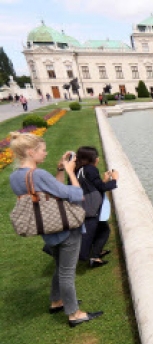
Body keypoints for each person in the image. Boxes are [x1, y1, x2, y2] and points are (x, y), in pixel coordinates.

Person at [8, 132, 103, 327]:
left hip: (48, 227)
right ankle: (74, 314)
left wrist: (59, 169)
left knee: (60, 267)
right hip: (65, 227)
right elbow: (76, 194)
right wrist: (70, 171)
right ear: (30, 152)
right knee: (68, 271)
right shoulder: (39, 175)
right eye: (42, 150)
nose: (46, 153)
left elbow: (53, 193)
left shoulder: (16, 177)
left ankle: (57, 300)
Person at [74, 146, 118, 268]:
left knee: (98, 228)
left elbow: (93, 186)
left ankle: (96, 252)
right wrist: (114, 179)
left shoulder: (77, 170)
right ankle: (94, 257)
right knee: (104, 230)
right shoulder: (91, 169)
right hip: (91, 207)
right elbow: (102, 188)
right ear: (93, 159)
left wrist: (103, 180)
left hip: (82, 204)